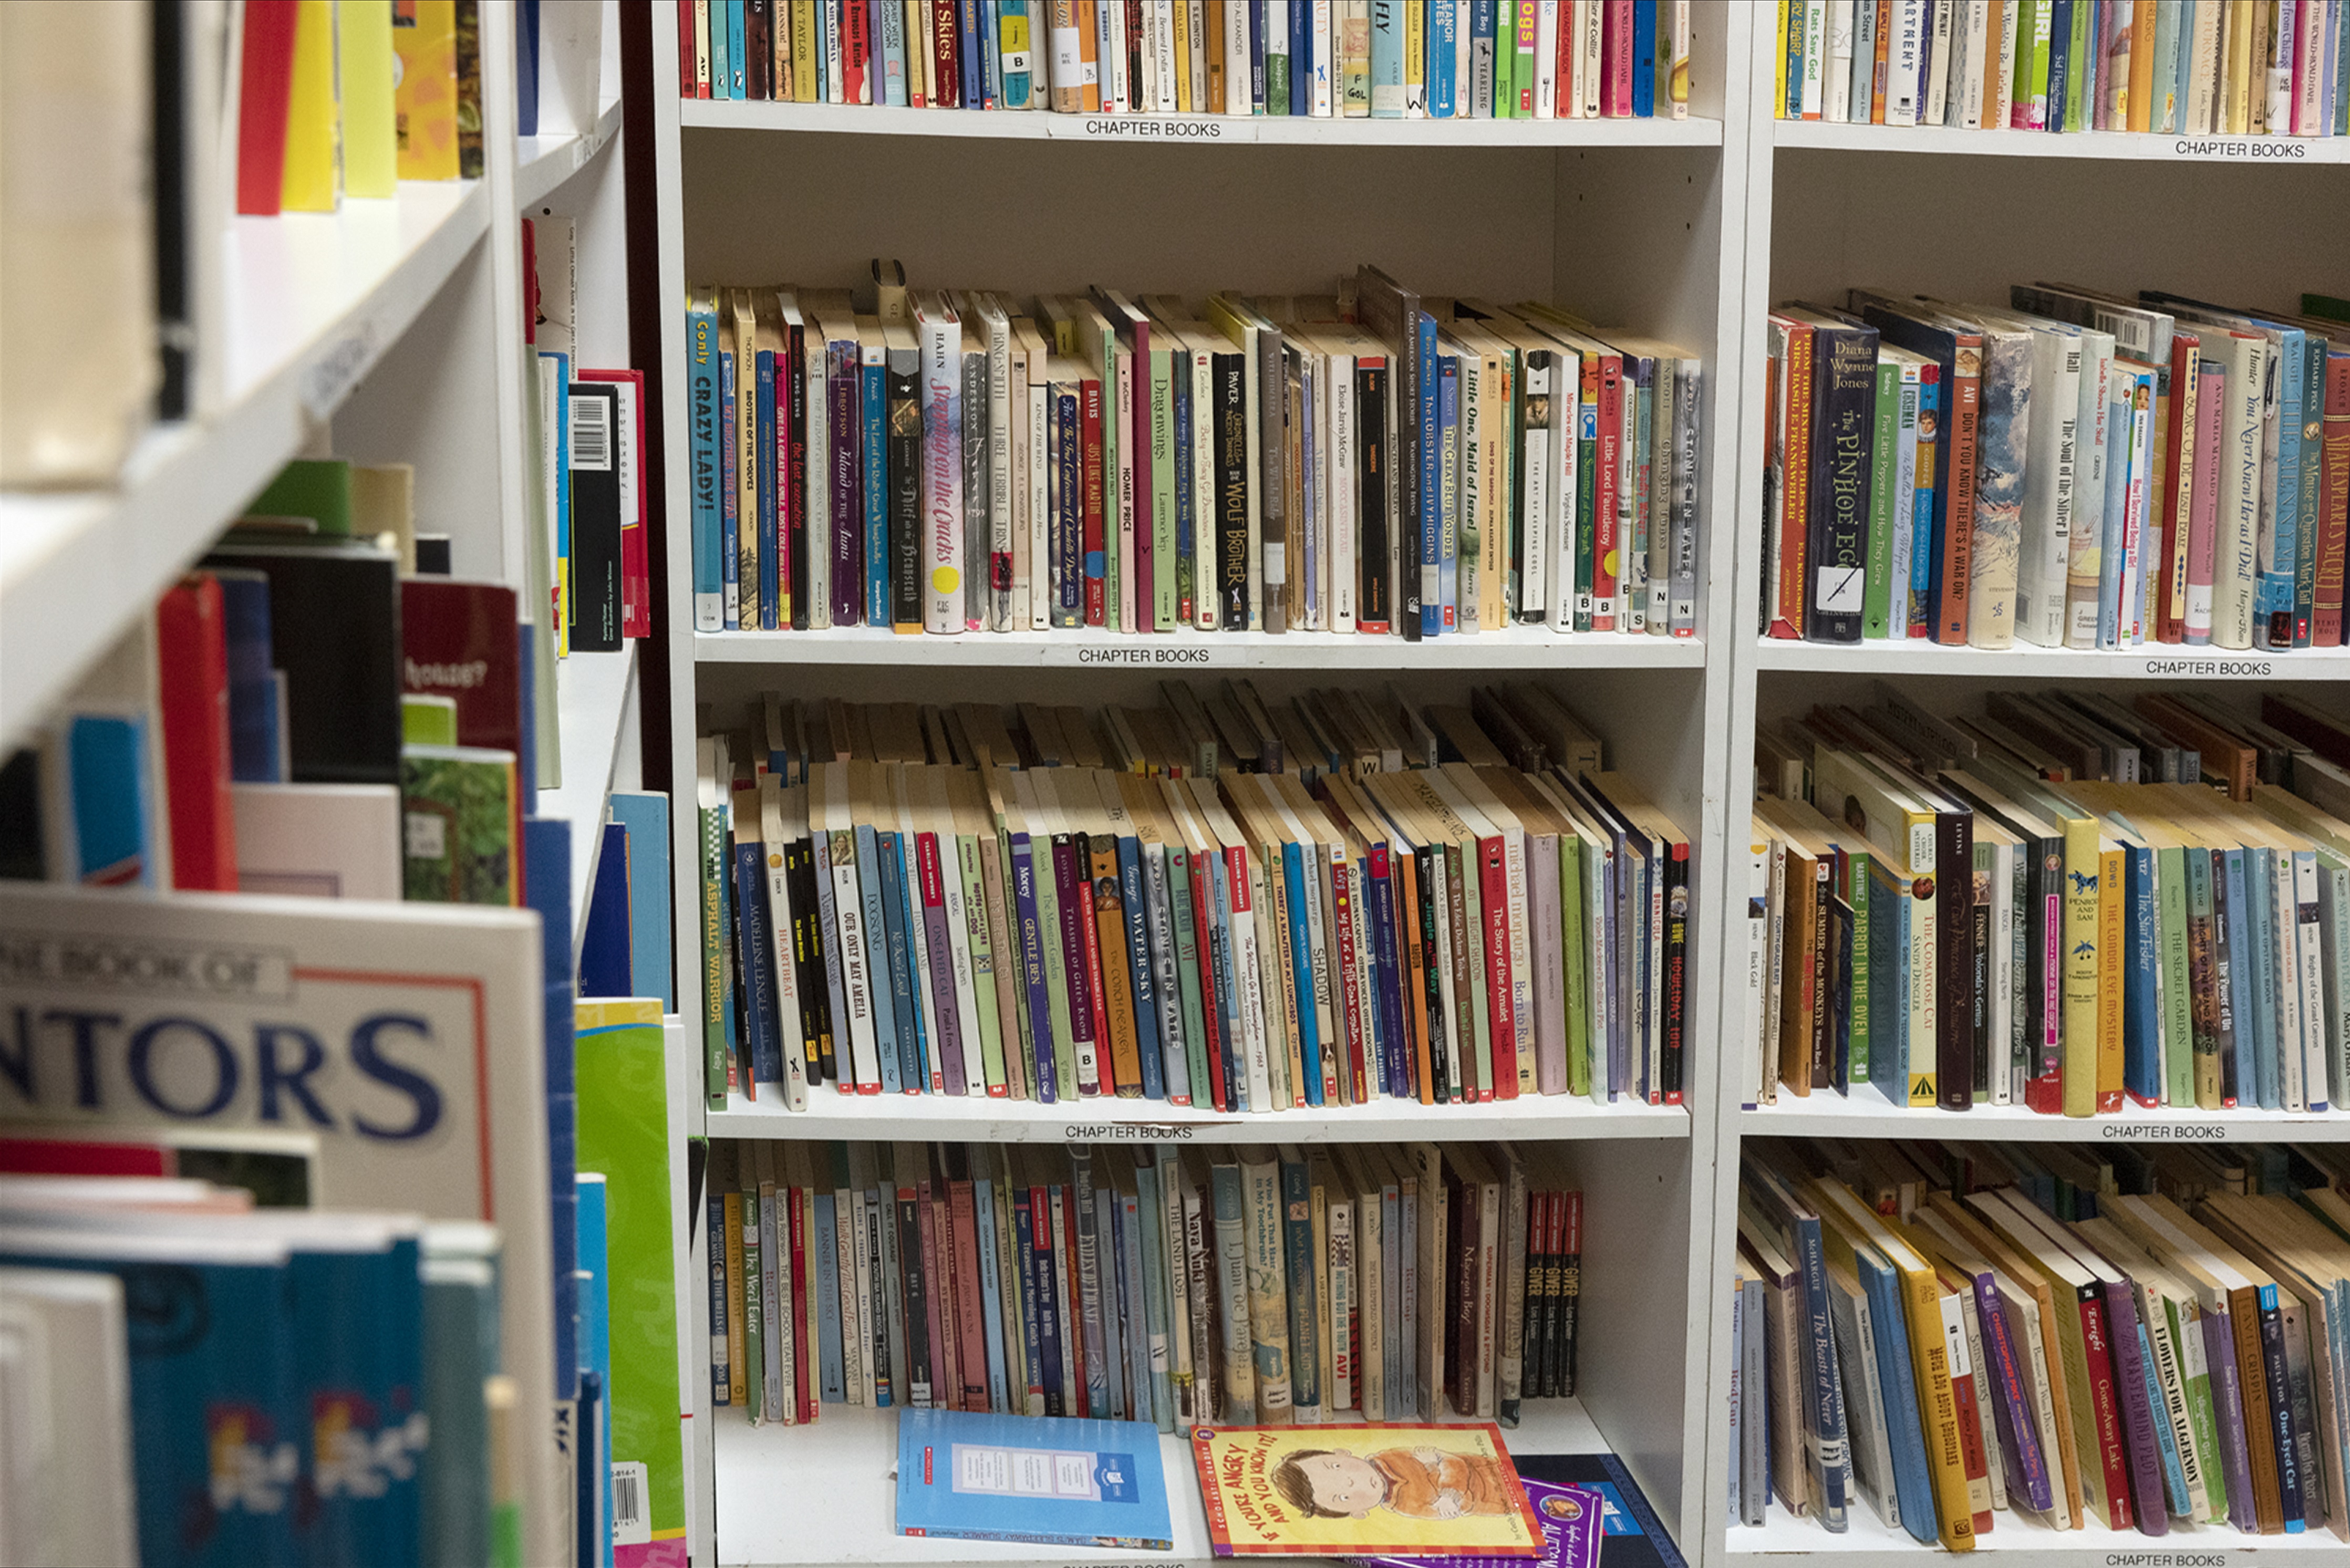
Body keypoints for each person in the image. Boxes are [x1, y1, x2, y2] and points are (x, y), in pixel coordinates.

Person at [1268, 1444, 1517, 1521]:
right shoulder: (1402, 1506)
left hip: (1492, 1467)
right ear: (1357, 1513)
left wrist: (1449, 1487)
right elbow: (1450, 1511)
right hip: (1496, 1503)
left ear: (1341, 1452)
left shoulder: (1391, 1456)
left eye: (1336, 1467)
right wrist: (1449, 1499)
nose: (1354, 1482)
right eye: (1343, 1497)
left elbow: (1453, 1461)